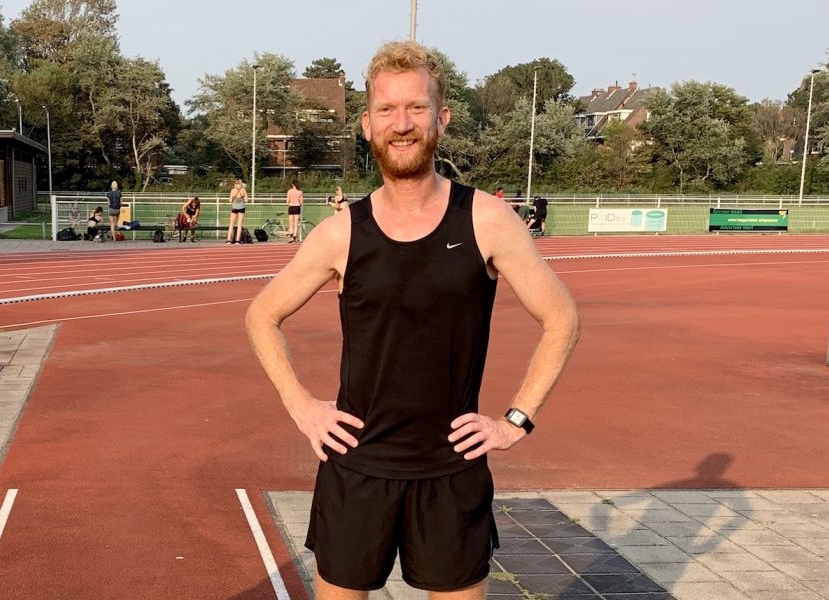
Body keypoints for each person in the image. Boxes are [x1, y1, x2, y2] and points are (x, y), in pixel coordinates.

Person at [246, 41, 580, 600]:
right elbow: (262, 315)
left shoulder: (487, 220)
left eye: (417, 108)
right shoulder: (340, 232)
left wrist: (515, 421)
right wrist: (301, 406)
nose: (402, 124)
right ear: (367, 124)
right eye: (387, 110)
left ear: (441, 119)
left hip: (452, 469)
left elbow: (562, 318)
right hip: (357, 467)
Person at [226, 179, 248, 244]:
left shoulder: (233, 190)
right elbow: (246, 200)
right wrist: (242, 199)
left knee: (231, 224)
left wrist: (234, 199)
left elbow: (230, 200)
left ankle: (228, 240)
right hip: (241, 207)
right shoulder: (243, 190)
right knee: (239, 224)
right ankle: (237, 240)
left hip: (234, 208)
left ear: (235, 184)